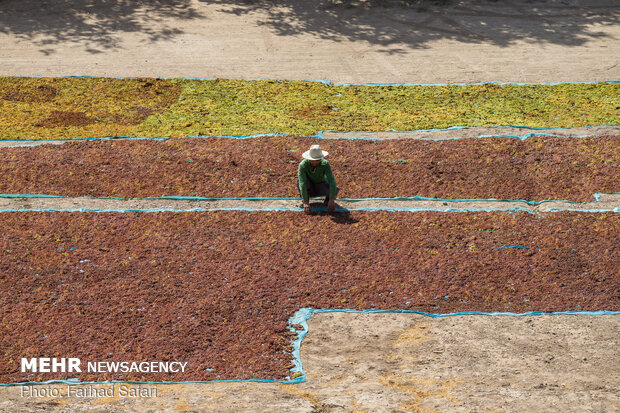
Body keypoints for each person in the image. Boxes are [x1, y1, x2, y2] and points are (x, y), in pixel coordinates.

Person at [297, 144, 339, 214]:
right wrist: (306, 202)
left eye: (317, 160)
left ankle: (327, 201)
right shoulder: (303, 165)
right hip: (309, 188)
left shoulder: (325, 164)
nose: (315, 162)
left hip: (320, 186)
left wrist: (331, 199)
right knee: (300, 182)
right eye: (313, 160)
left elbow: (332, 181)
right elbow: (302, 183)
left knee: (335, 188)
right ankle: (305, 198)